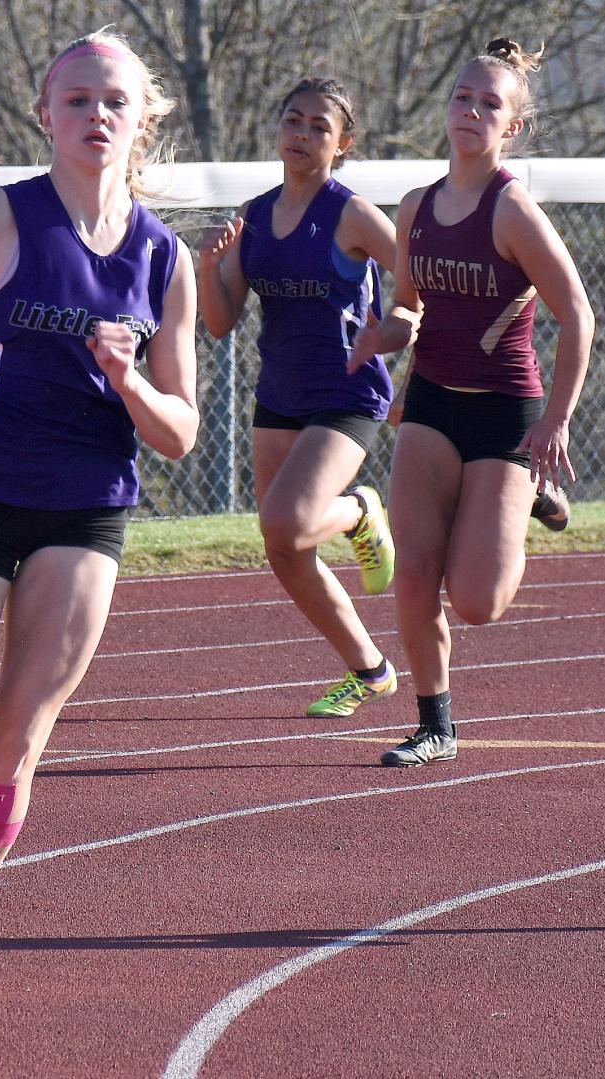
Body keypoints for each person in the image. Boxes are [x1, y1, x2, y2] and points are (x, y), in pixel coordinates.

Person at [0, 30, 198, 1002]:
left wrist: (130, 379)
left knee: (12, 742)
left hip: (86, 510)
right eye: (77, 100)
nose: (96, 116)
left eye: (114, 101)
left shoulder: (163, 258)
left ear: (142, 119)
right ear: (46, 115)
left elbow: (180, 430)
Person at [348, 38, 594, 767]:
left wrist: (556, 419)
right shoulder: (416, 206)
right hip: (430, 404)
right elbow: (406, 309)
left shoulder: (511, 210)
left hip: (503, 413)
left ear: (509, 128)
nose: (472, 112)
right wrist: (377, 341)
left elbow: (577, 312)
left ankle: (529, 493)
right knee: (416, 576)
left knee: (480, 599)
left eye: (491, 105)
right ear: (447, 108)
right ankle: (435, 725)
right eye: (463, 98)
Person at [197, 77, 416, 719]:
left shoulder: (350, 213)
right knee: (283, 550)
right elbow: (219, 322)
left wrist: (395, 324)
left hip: (347, 394)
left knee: (287, 522)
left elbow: (413, 279)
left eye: (319, 126)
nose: (301, 134)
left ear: (341, 143)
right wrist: (211, 268)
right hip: (280, 394)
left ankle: (356, 510)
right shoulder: (255, 216)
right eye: (293, 120)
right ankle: (370, 670)